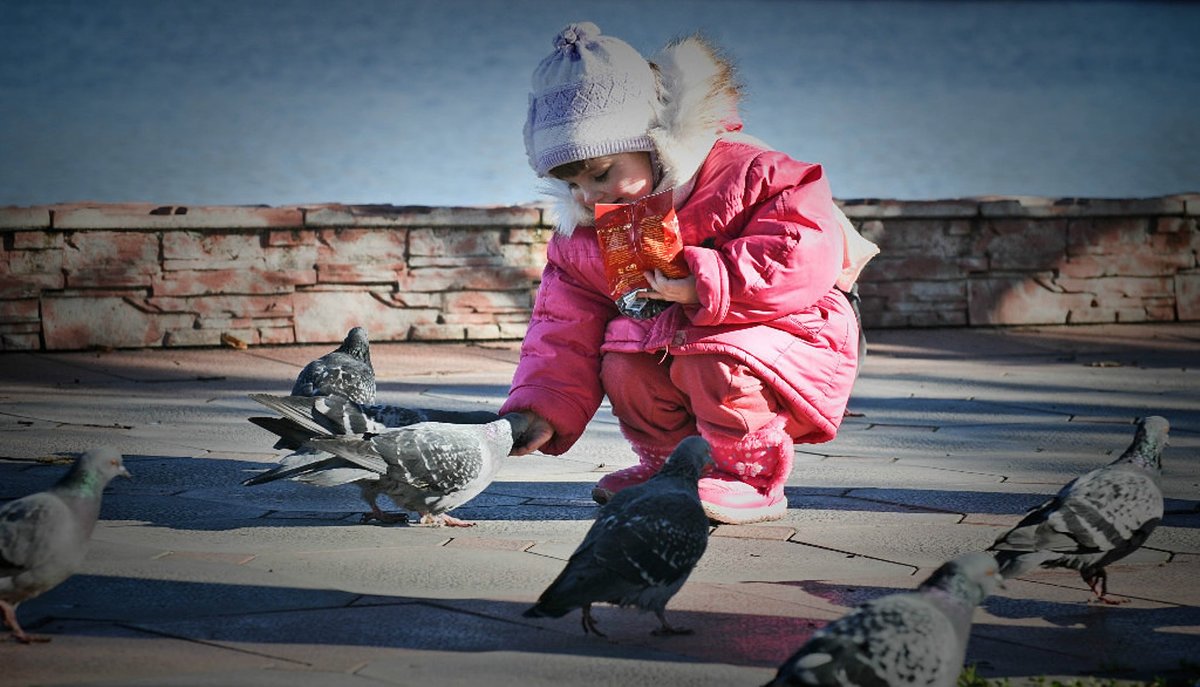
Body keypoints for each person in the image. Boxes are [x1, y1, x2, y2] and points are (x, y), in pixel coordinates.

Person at [500, 22, 879, 525]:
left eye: (601, 173)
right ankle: (667, 466)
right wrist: (541, 407)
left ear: (656, 141)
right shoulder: (587, 234)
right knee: (626, 362)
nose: (588, 197)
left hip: (792, 325)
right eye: (571, 185)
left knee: (711, 359)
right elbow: (561, 329)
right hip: (682, 335)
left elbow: (800, 248)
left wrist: (707, 281)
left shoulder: (749, 174)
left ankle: (747, 474)